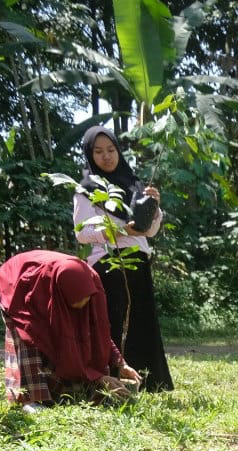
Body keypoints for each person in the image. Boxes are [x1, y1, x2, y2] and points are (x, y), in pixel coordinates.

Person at [73, 126, 174, 392]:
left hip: (137, 260)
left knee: (141, 320)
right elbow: (82, 233)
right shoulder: (86, 188)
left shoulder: (136, 185)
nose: (106, 156)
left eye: (111, 150)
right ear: (89, 154)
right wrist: (119, 230)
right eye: (98, 151)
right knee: (113, 322)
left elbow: (148, 232)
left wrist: (155, 208)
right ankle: (113, 380)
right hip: (107, 263)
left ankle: (149, 382)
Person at [0, 250, 142, 409]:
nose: (80, 306)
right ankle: (30, 400)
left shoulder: (93, 287)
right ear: (61, 295)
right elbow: (59, 337)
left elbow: (99, 331)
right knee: (29, 340)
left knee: (76, 332)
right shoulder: (45, 291)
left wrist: (119, 362)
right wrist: (98, 377)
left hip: (50, 284)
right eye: (75, 302)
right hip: (18, 288)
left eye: (84, 301)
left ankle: (65, 393)